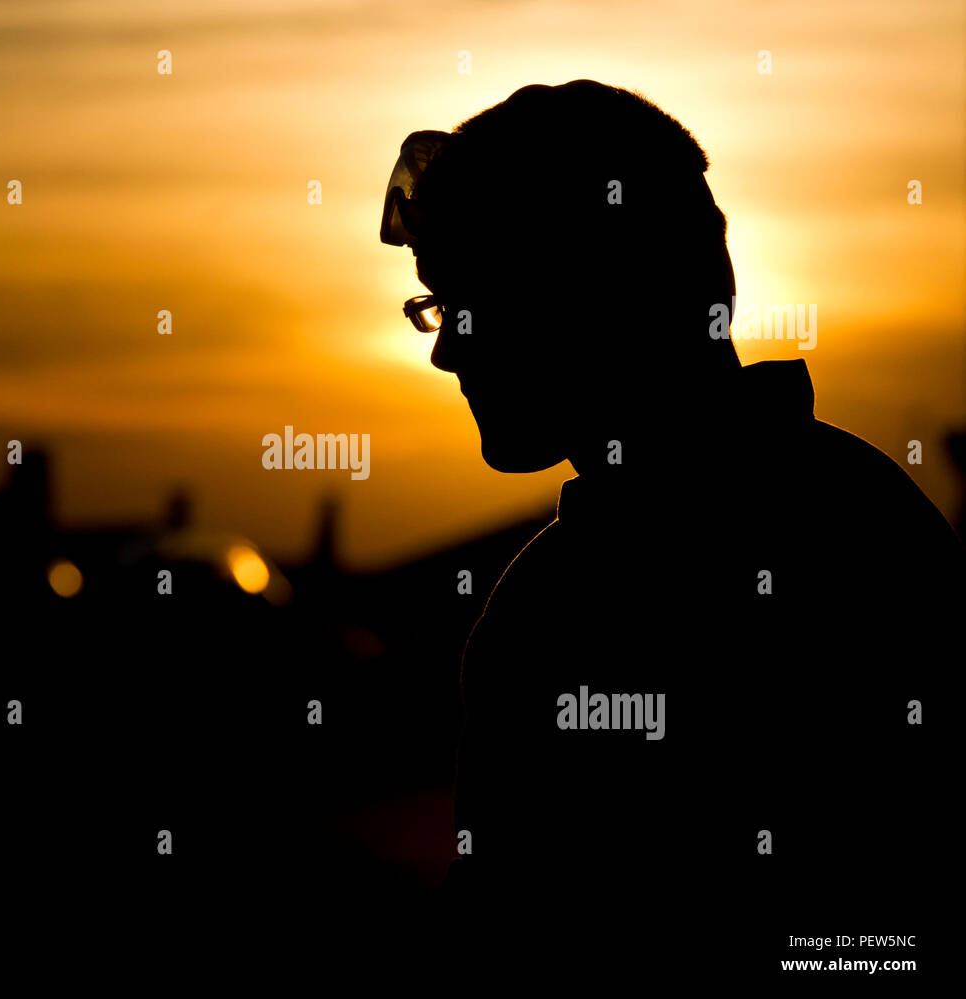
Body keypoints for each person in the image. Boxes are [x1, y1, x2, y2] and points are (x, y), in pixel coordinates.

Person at [381, 80, 962, 974]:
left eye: (468, 303)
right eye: (435, 307)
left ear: (590, 296)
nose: (445, 347)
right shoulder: (858, 513)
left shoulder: (596, 590)